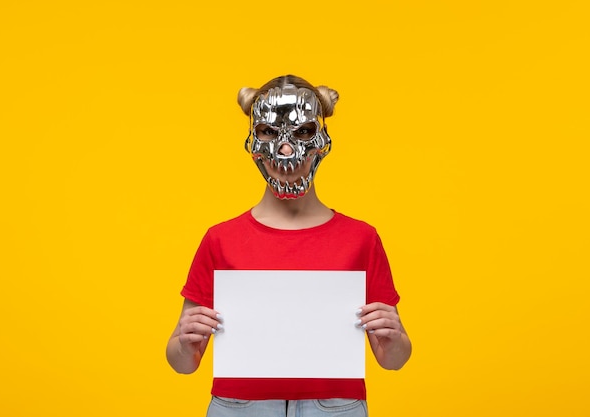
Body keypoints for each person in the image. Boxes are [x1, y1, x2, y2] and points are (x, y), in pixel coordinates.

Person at [166, 75, 412, 416]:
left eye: (302, 132)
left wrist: (394, 337)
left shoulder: (361, 238)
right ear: (252, 141)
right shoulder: (220, 239)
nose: (285, 149)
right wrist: (185, 340)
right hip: (239, 408)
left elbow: (393, 359)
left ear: (323, 140)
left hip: (334, 409)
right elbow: (183, 362)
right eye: (268, 132)